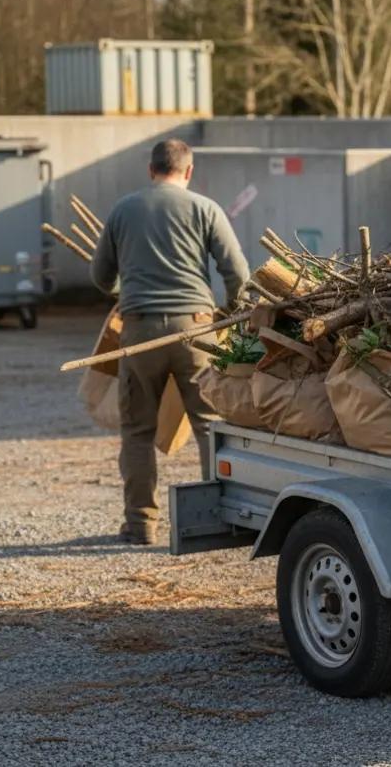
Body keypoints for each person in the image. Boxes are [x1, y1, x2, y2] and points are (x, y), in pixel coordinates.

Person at [90, 139, 250, 545]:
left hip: (139, 331)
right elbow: (237, 271)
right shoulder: (205, 209)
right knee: (210, 427)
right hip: (195, 329)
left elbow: (100, 276)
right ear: (189, 171)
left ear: (150, 169)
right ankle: (220, 518)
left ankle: (141, 523)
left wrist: (121, 292)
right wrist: (231, 310)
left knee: (138, 431)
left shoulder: (123, 209)